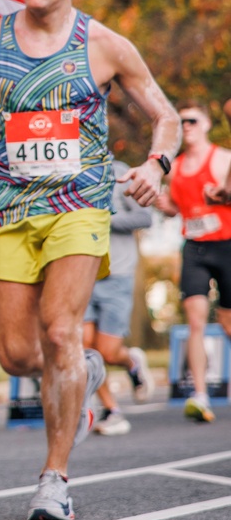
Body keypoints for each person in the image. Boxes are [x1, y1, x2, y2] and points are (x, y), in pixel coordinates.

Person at [0, 0, 179, 520]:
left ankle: (55, 478)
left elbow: (166, 115)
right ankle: (87, 371)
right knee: (17, 356)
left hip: (80, 205)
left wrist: (158, 162)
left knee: (59, 331)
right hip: (11, 209)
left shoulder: (104, 44)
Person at [156, 103, 231, 422]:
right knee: (196, 321)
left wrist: (224, 194)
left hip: (227, 246)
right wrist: (163, 204)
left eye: (192, 120)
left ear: (207, 125)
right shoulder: (174, 167)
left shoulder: (224, 158)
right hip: (195, 248)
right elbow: (174, 206)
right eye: (182, 121)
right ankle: (200, 395)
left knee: (228, 323)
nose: (186, 125)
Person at [83, 156, 155, 435]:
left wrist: (105, 218)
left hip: (117, 274)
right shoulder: (68, 176)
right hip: (82, 273)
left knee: (108, 352)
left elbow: (144, 216)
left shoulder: (121, 172)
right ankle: (112, 410)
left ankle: (131, 362)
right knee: (84, 348)